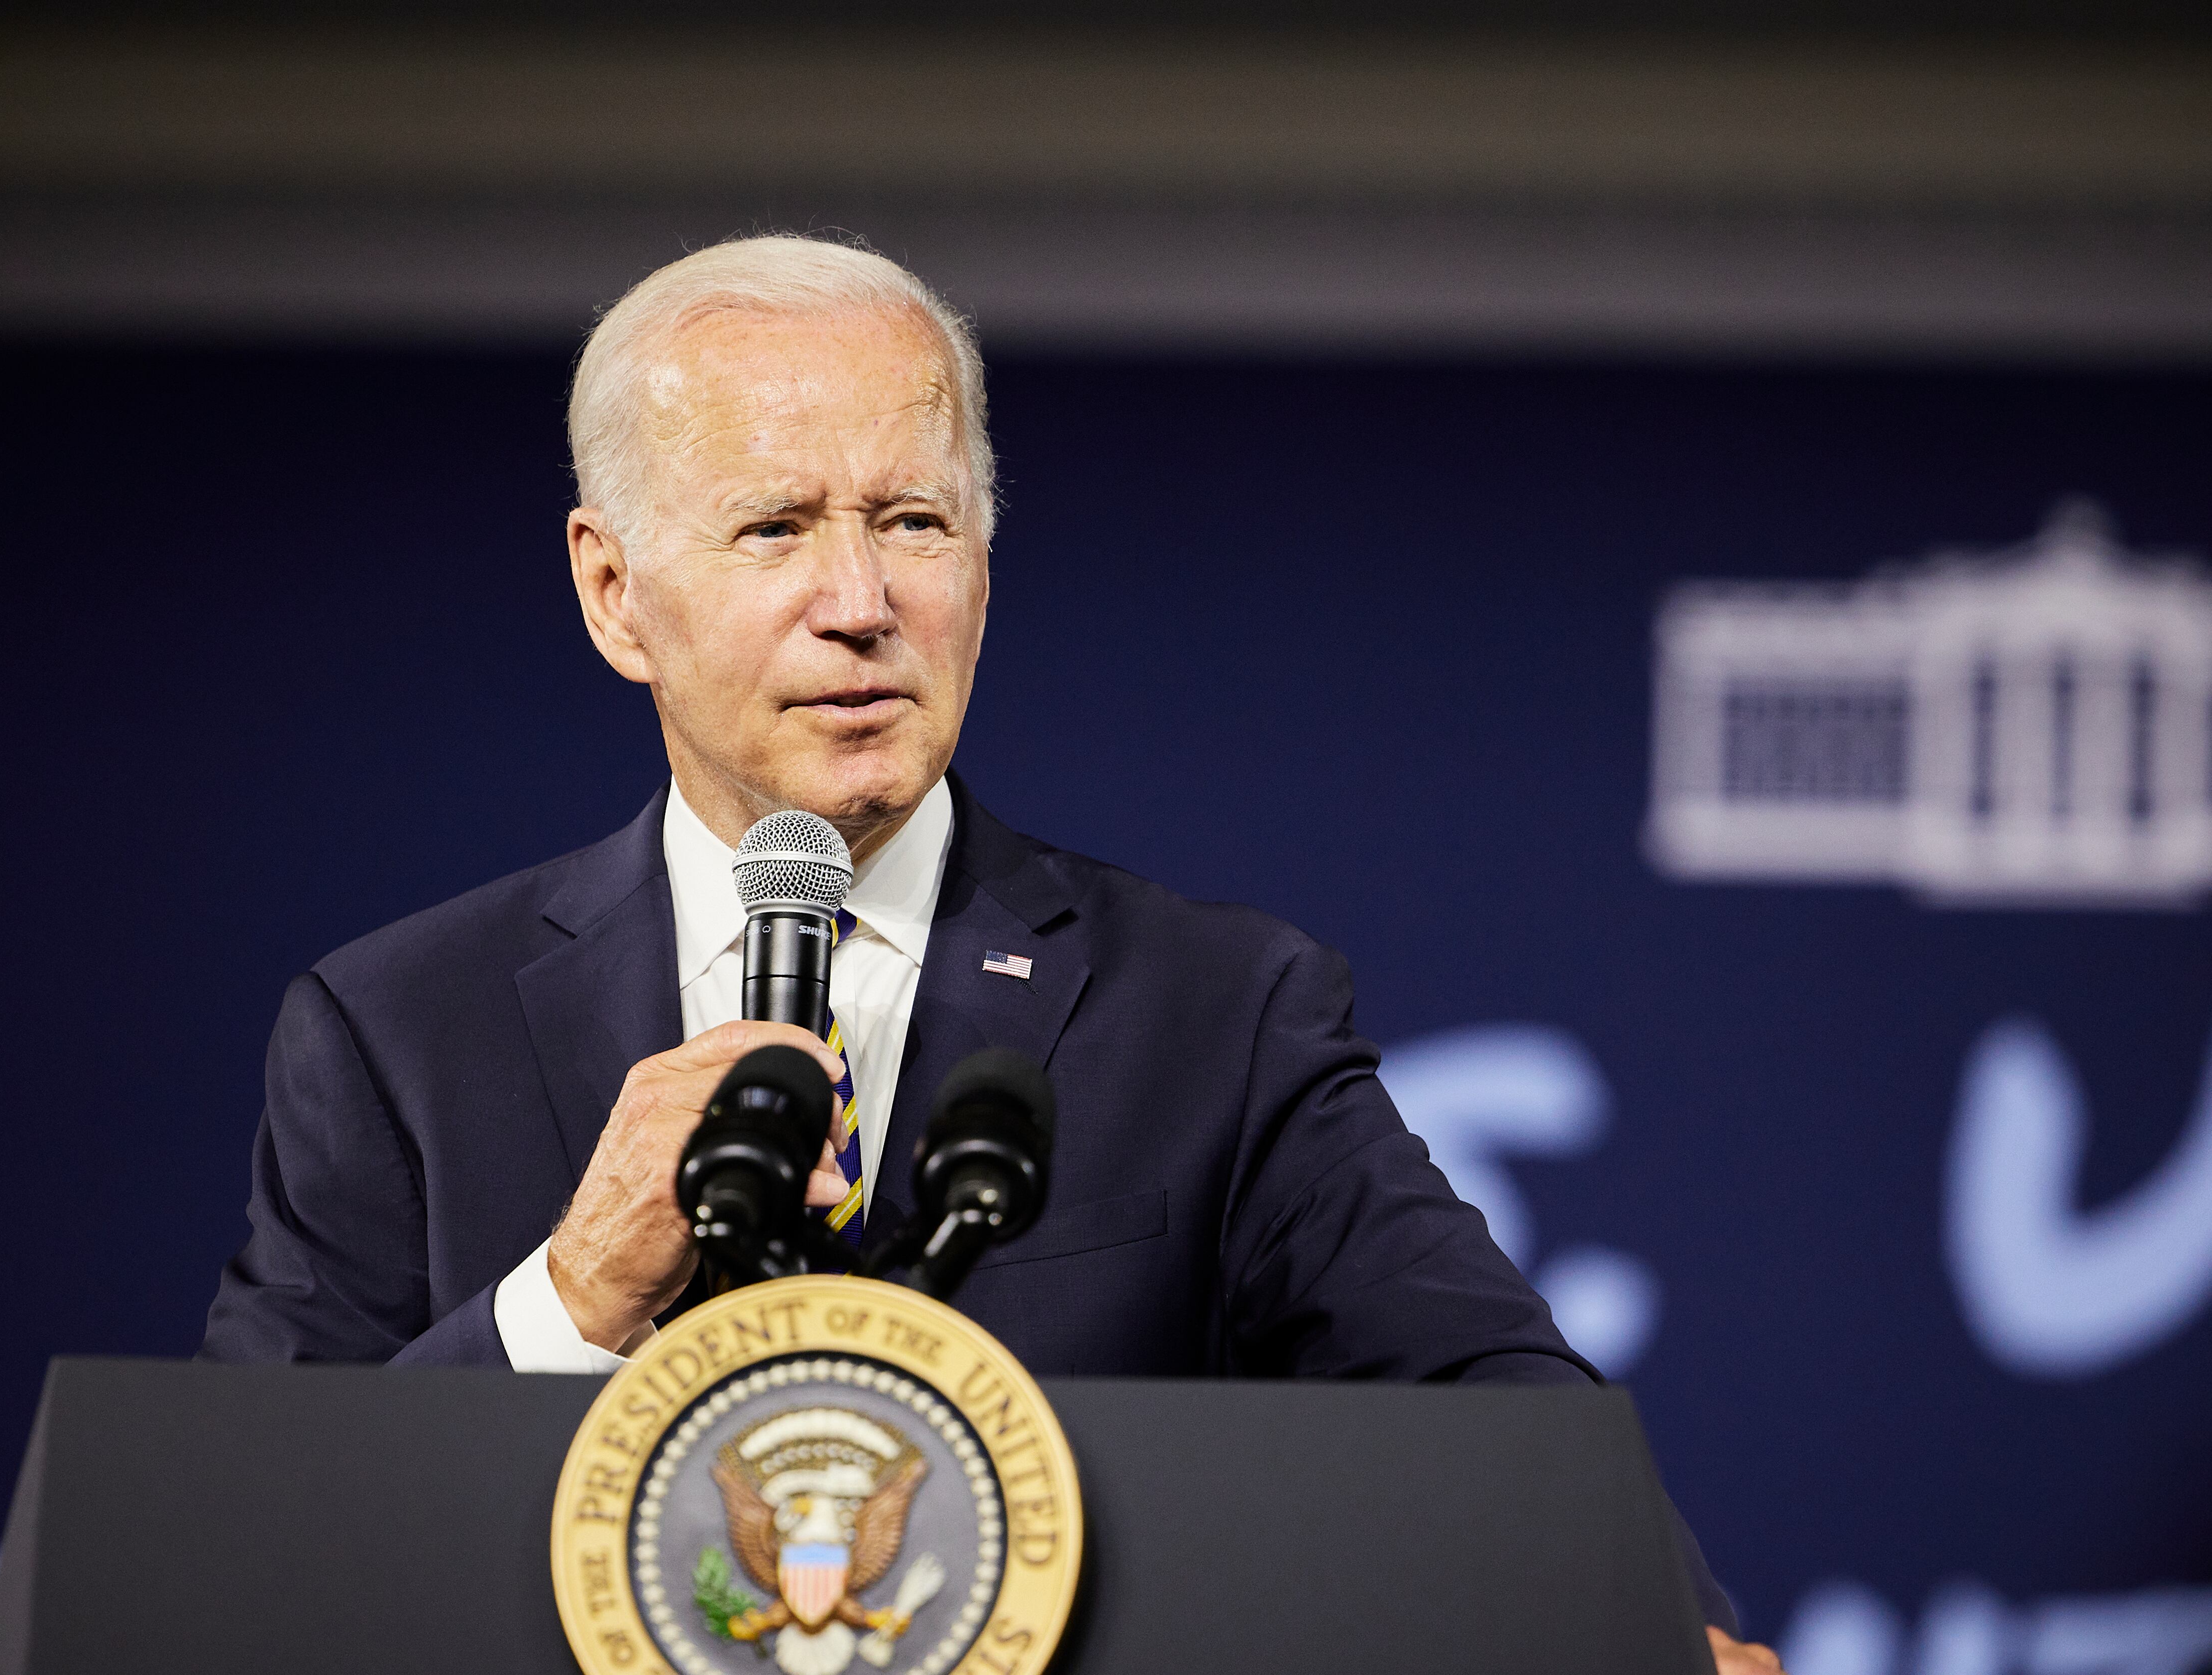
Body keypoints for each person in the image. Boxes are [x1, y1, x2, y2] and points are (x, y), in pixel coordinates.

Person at [199, 234, 1780, 1672]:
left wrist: (1658, 1630)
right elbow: (240, 1569)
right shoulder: (399, 1030)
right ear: (616, 595)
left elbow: (1498, 1410)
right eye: (775, 528)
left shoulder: (1214, 1013)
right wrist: (572, 1296)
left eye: (913, 522)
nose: (863, 602)